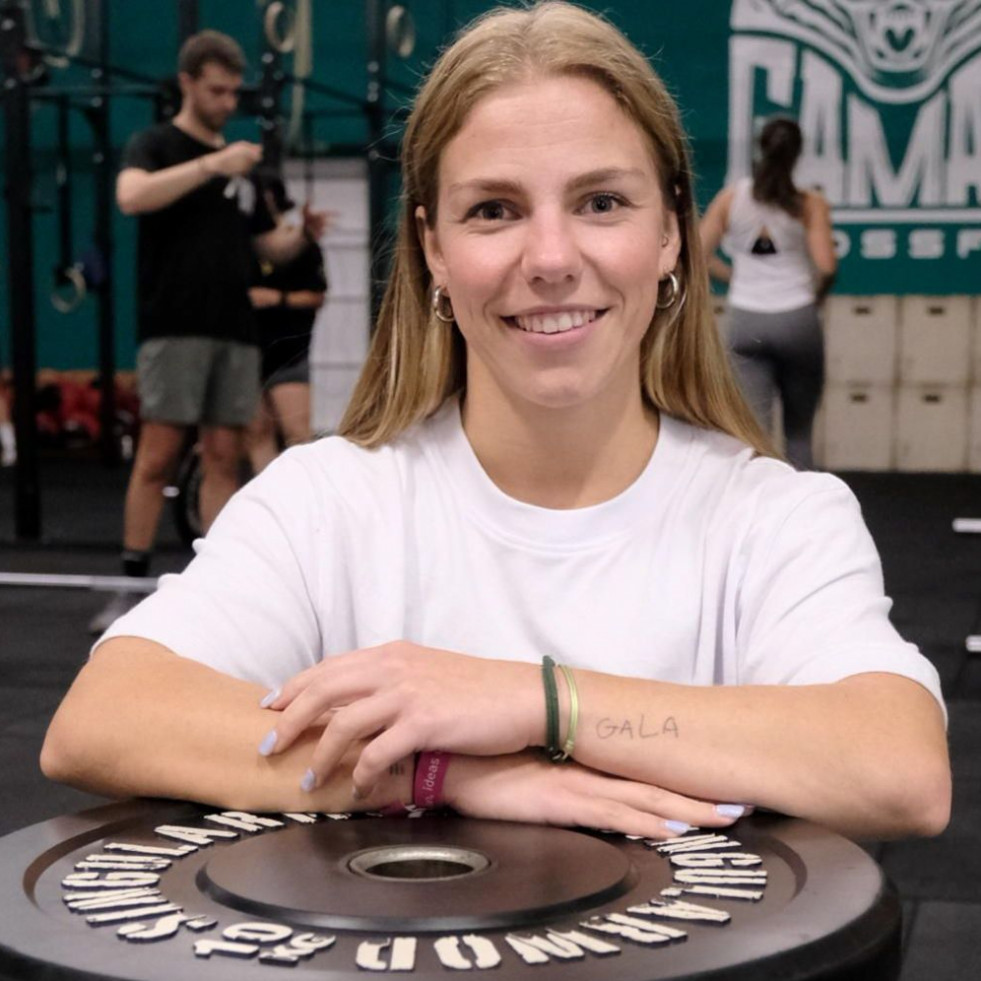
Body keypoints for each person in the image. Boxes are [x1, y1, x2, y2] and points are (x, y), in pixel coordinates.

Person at [45, 2, 949, 842]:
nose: (551, 258)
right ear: (433, 247)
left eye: (601, 202)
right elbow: (105, 717)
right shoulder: (327, 502)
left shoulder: (776, 519)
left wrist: (538, 702)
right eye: (493, 210)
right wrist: (439, 770)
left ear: (672, 231)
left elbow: (897, 765)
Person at [88, 30, 328, 633]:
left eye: (232, 93)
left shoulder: (244, 170)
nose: (226, 103)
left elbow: (261, 244)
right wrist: (212, 163)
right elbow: (130, 196)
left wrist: (303, 235)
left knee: (225, 454)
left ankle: (215, 583)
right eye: (216, 91)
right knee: (159, 453)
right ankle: (130, 582)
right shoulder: (158, 143)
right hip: (176, 325)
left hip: (235, 328)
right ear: (189, 82)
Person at [700, 117, 836, 470]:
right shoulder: (810, 203)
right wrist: (814, 294)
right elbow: (826, 265)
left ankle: (756, 521)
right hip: (797, 317)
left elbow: (698, 254)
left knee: (753, 436)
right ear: (798, 155)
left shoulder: (732, 198)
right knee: (800, 434)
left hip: (747, 319)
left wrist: (733, 278)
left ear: (760, 148)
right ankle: (804, 521)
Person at [245, 173, 328, 473]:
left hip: (289, 351)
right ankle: (266, 499)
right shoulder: (245, 247)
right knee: (257, 434)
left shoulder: (303, 246)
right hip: (250, 350)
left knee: (298, 436)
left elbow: (317, 295)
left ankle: (306, 508)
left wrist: (276, 298)